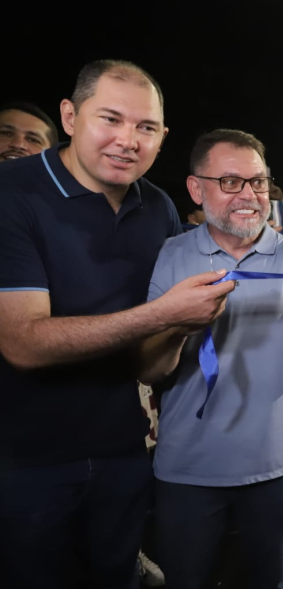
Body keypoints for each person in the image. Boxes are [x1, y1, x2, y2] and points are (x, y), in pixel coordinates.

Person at [0, 59, 235, 589]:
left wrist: (187, 320)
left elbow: (152, 360)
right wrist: (165, 314)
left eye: (146, 127)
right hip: (26, 462)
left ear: (162, 136)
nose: (128, 140)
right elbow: (22, 342)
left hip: (122, 452)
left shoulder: (157, 208)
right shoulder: (12, 193)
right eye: (111, 119)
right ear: (69, 115)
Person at [140, 129, 283, 588]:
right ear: (196, 188)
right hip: (186, 471)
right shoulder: (171, 255)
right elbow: (151, 369)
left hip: (274, 469)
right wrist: (179, 325)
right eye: (230, 182)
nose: (249, 195)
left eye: (258, 182)